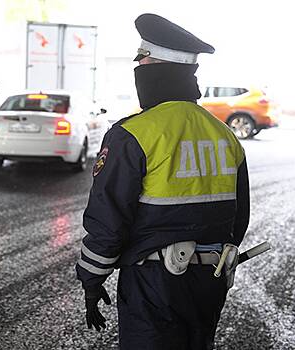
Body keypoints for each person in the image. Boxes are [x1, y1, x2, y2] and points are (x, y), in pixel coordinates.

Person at [75, 13, 250, 350]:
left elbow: (108, 220)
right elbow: (238, 219)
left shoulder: (133, 134)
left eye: (141, 61)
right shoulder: (225, 136)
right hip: (210, 284)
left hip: (153, 285)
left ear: (153, 69)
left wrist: (92, 279)